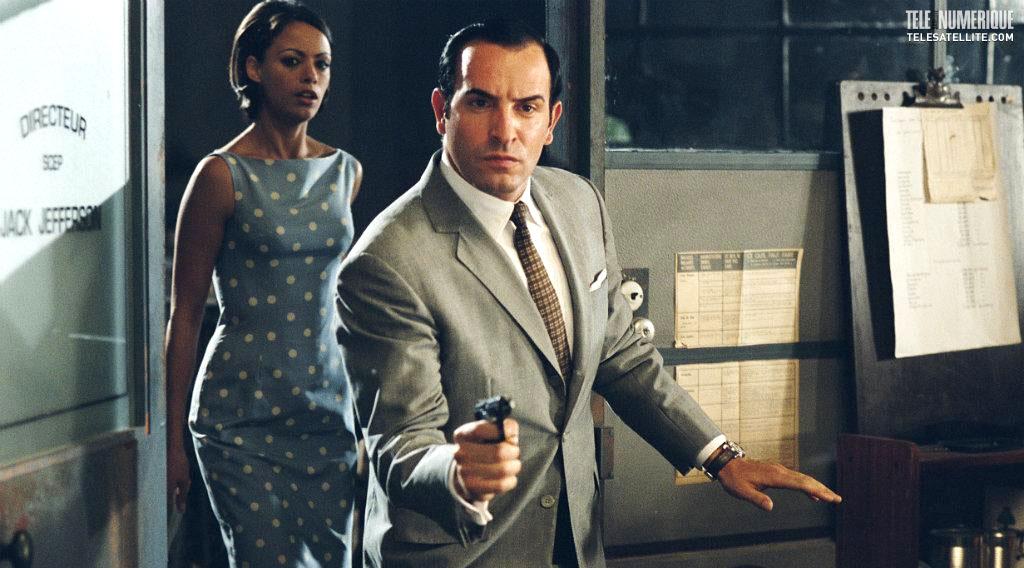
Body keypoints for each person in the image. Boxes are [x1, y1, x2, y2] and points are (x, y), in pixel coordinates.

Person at [336, 19, 840, 568]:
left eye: (526, 107)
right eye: (480, 103)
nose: (505, 131)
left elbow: (621, 355)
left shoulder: (579, 203)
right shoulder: (387, 262)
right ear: (442, 111)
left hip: (574, 540)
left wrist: (720, 456)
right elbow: (402, 445)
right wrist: (455, 472)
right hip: (462, 553)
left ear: (551, 120)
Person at [164, 2, 361, 565]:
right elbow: (185, 315)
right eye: (292, 61)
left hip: (328, 413)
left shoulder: (345, 173)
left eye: (321, 64)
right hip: (241, 416)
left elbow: (347, 305)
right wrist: (171, 444)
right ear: (254, 68)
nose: (310, 77)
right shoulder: (220, 175)